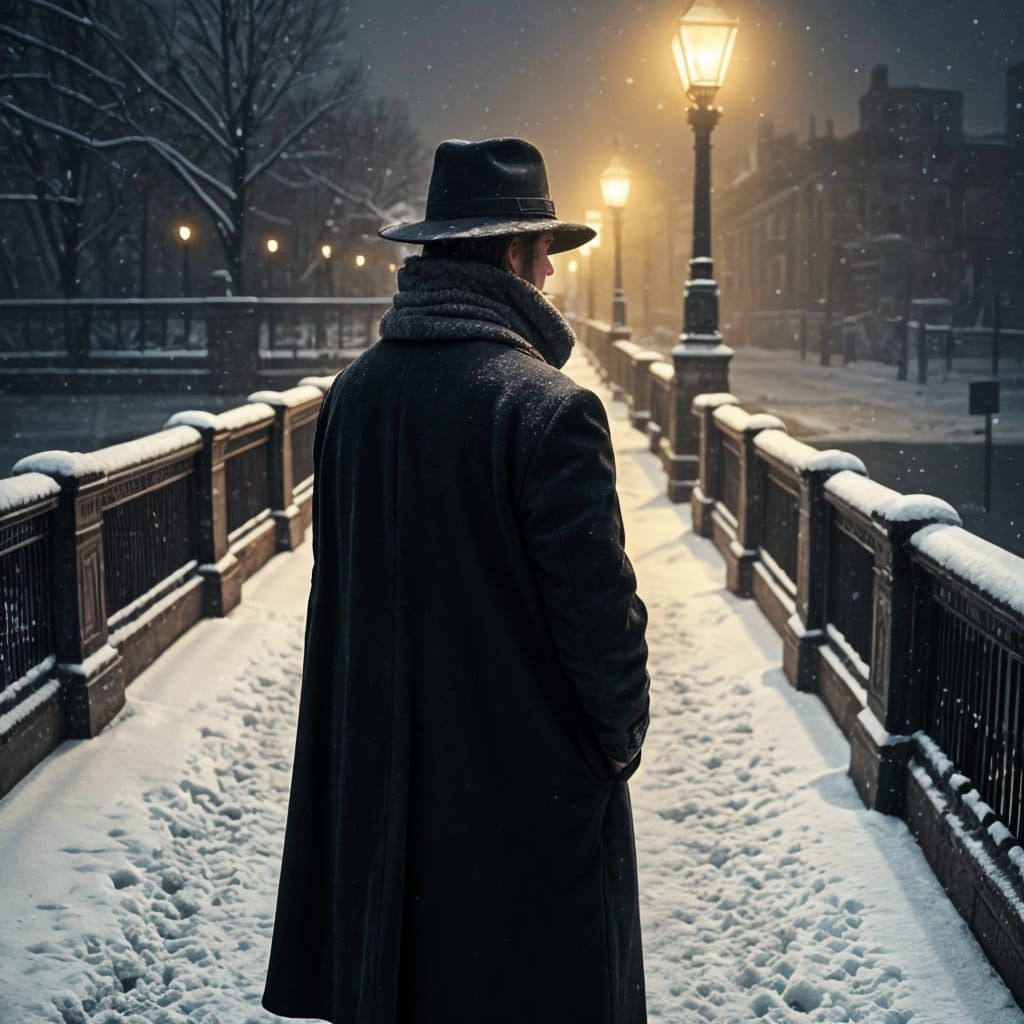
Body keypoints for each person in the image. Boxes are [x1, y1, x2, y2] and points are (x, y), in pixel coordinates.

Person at [262, 137, 651, 1024]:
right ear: (512, 256)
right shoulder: (547, 410)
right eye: (544, 252)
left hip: (382, 799)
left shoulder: (352, 397)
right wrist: (611, 748)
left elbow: (344, 596)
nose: (550, 275)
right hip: (519, 810)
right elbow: (601, 631)